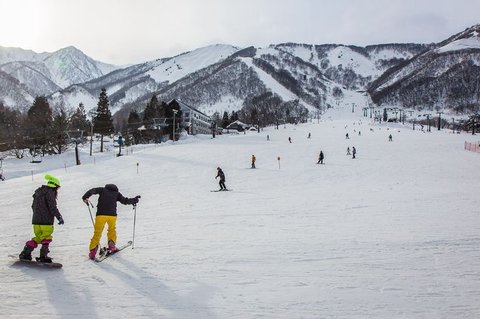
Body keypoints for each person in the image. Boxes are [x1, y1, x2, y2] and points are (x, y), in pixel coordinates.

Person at [82, 184, 140, 260]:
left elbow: (93, 190)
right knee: (112, 230)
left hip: (101, 215)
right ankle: (112, 246)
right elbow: (125, 201)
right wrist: (134, 200)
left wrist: (85, 197)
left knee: (97, 233)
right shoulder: (116, 193)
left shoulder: (102, 190)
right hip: (112, 216)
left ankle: (93, 252)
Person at [19, 174, 64, 262]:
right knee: (46, 237)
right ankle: (43, 256)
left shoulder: (38, 192)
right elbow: (52, 207)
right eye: (57, 188)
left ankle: (25, 253)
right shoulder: (50, 192)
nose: (57, 190)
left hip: (36, 221)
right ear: (54, 186)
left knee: (38, 238)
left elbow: (33, 206)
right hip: (46, 221)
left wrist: (37, 215)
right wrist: (59, 217)